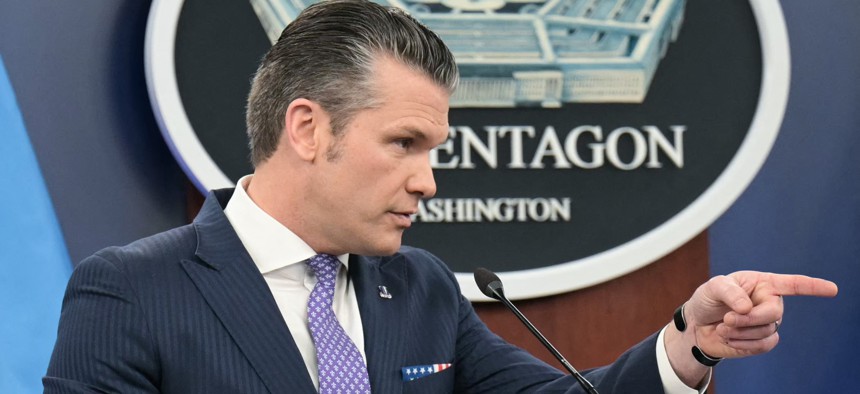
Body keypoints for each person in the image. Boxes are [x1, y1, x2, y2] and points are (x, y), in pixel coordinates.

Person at [43, 1, 838, 393]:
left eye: (434, 151)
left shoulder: (418, 286)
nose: (427, 179)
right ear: (309, 128)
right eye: (404, 144)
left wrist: (690, 341)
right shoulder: (132, 291)